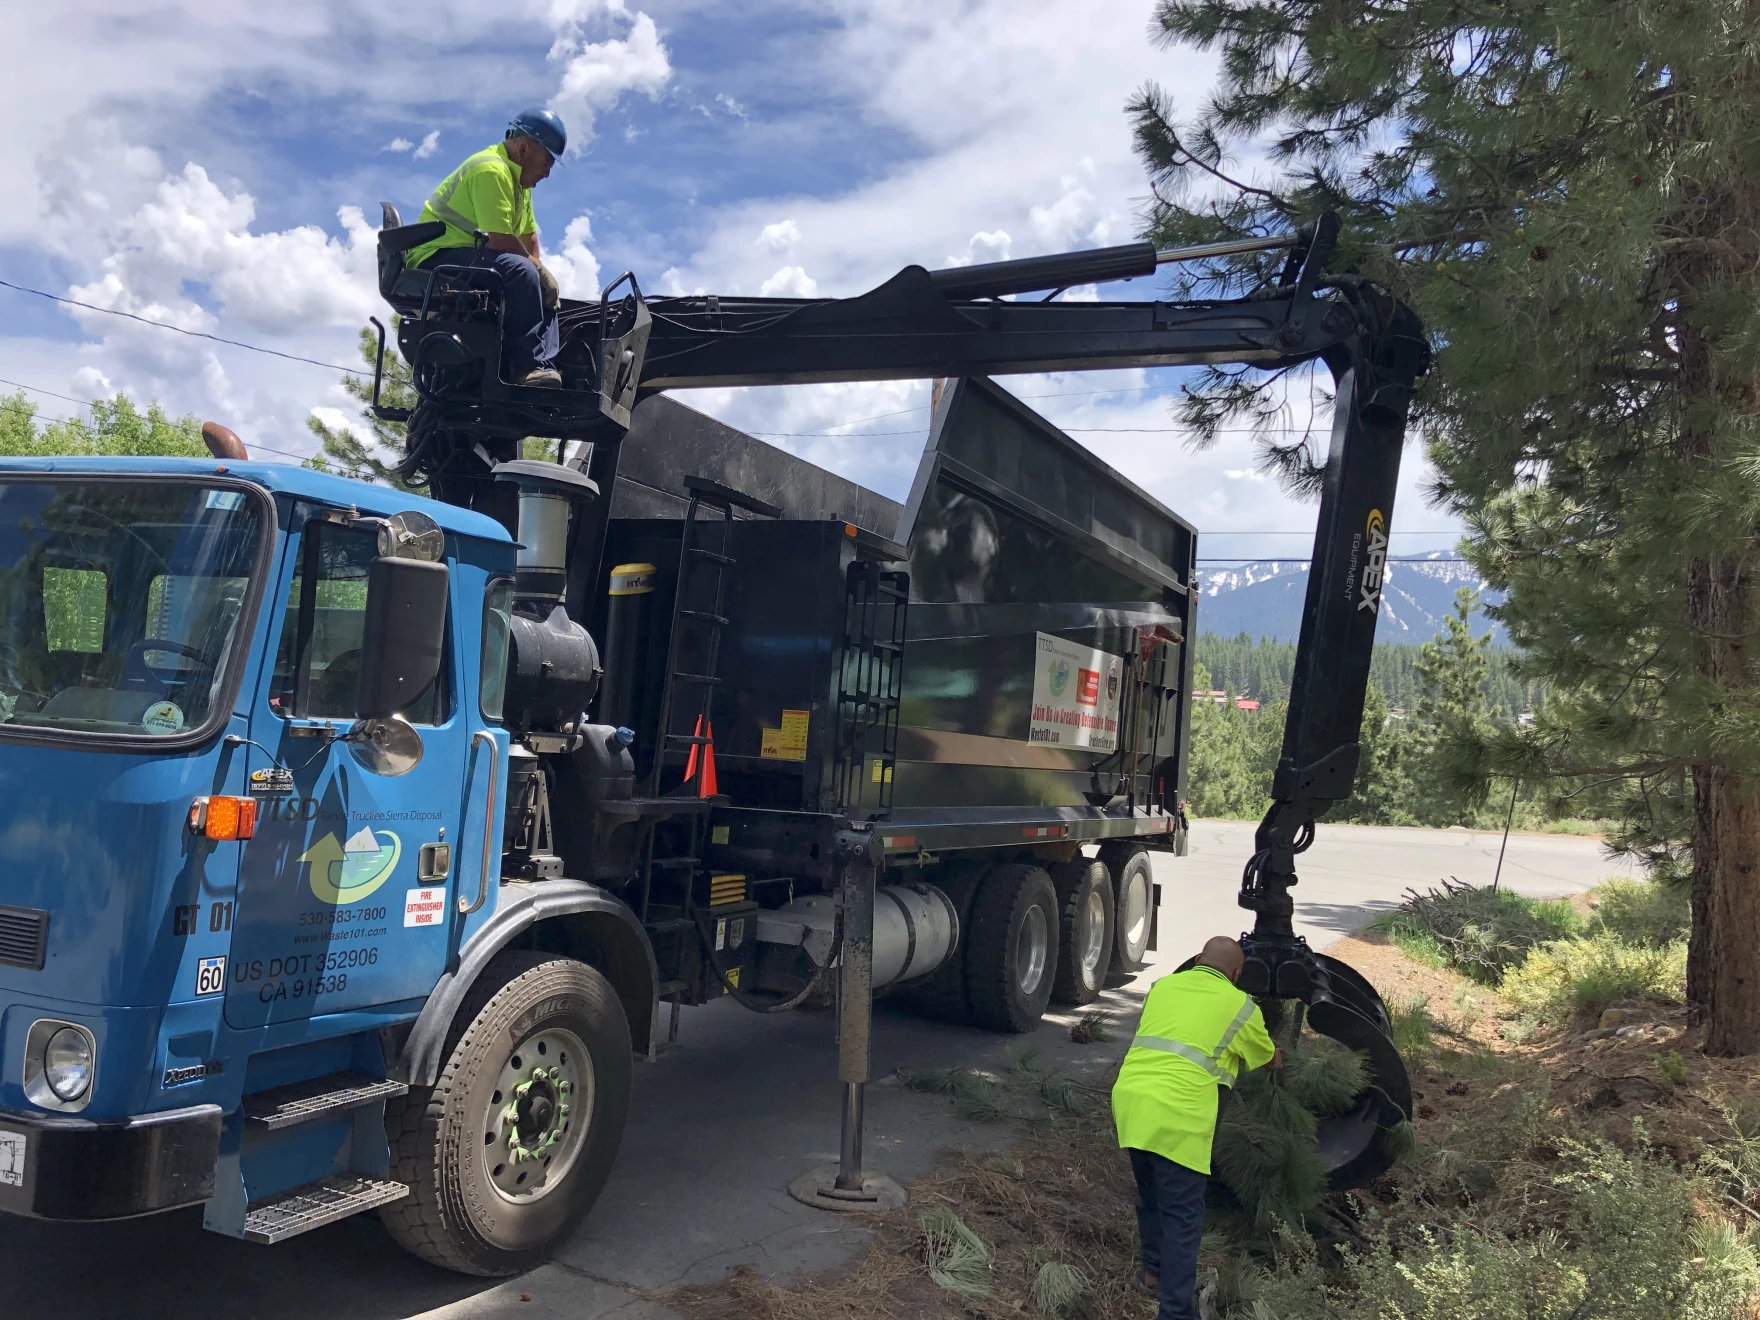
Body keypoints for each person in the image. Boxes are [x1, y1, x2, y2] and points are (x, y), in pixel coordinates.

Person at [1112, 936, 1282, 1320]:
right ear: (1236, 974)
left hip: (1133, 1103)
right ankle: (1175, 1313)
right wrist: (1280, 1060)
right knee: (1183, 1218)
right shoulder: (1240, 1005)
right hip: (1181, 1116)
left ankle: (1152, 1275)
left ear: (1199, 959)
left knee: (1152, 1197)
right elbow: (1265, 1056)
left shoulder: (1163, 986)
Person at [405, 108, 570, 387]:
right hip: (435, 257)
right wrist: (536, 272)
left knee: (541, 286)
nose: (547, 172)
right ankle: (525, 367)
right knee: (521, 271)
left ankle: (543, 365)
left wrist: (543, 279)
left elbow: (528, 237)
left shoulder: (520, 186)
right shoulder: (491, 169)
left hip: (469, 257)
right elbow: (500, 240)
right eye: (546, 162)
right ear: (523, 148)